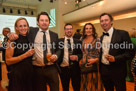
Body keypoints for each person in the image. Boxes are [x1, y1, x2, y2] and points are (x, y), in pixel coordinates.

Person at [8, 12, 60, 91]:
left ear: (49, 22)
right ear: (38, 22)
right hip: (37, 70)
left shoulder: (54, 35)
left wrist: (56, 55)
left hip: (51, 69)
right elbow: (20, 31)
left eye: (46, 20)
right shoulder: (32, 31)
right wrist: (10, 35)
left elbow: (59, 49)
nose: (44, 22)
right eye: (42, 20)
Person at [99, 13, 135, 91]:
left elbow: (130, 53)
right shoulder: (101, 37)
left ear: (111, 21)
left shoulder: (122, 34)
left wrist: (115, 58)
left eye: (106, 20)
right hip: (104, 71)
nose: (104, 22)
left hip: (118, 71)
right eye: (102, 21)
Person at [6, 17, 35, 91]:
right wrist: (25, 55)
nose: (23, 28)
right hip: (17, 76)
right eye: (20, 26)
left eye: (25, 25)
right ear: (16, 28)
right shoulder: (12, 41)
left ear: (28, 27)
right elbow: (8, 61)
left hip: (30, 75)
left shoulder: (31, 38)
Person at [57, 23, 82, 91]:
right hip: (63, 69)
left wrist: (77, 57)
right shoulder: (59, 41)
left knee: (77, 87)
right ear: (64, 30)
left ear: (73, 30)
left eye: (70, 29)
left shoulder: (78, 42)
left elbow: (81, 54)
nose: (69, 30)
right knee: (65, 88)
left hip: (75, 69)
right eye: (67, 29)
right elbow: (57, 53)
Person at [80, 23, 104, 91]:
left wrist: (95, 60)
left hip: (95, 65)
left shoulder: (97, 40)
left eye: (90, 28)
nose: (88, 30)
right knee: (85, 83)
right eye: (86, 28)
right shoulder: (82, 39)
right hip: (84, 66)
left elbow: (101, 54)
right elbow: (81, 52)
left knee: (95, 84)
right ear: (84, 30)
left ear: (93, 30)